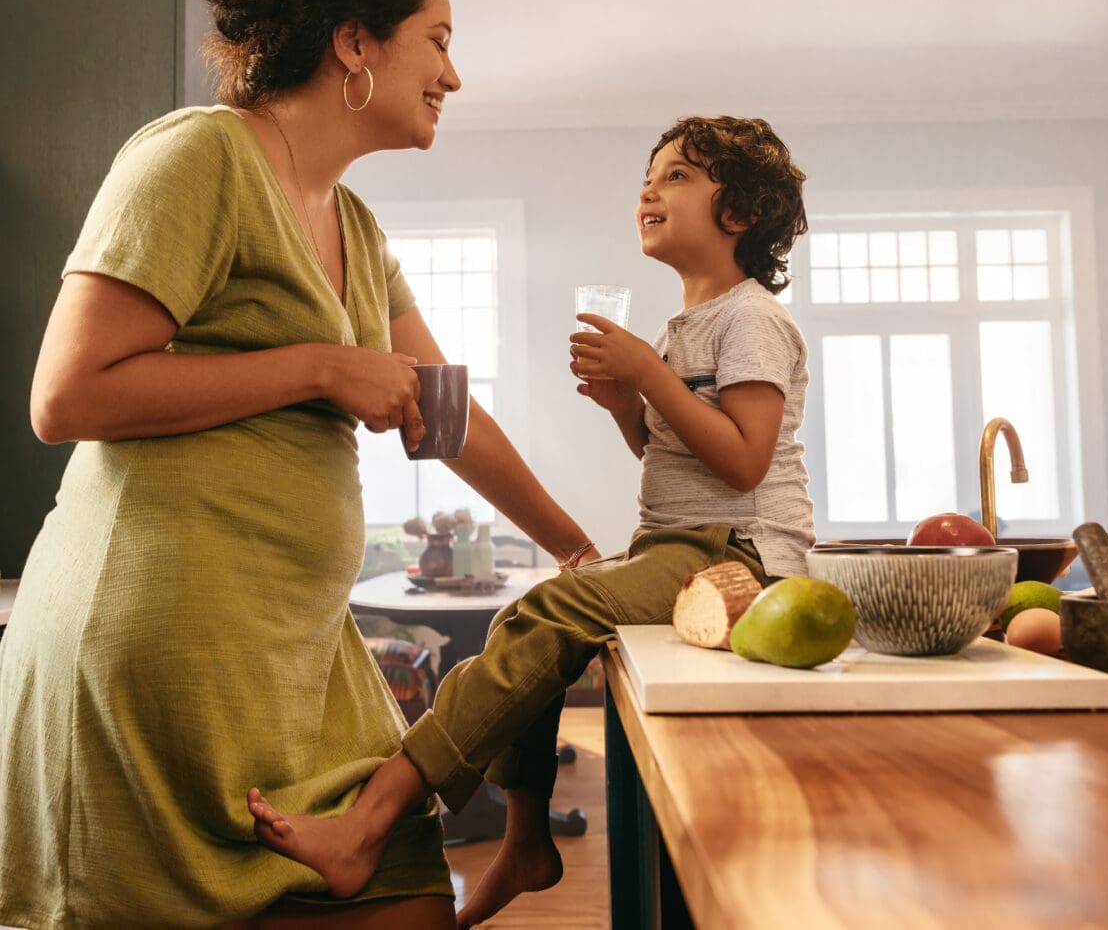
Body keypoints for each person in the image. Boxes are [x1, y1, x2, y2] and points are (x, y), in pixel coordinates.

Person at [0, 0, 599, 930]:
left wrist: (571, 542)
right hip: (156, 648)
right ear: (354, 42)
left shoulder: (354, 225)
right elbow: (65, 395)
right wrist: (315, 365)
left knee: (409, 901)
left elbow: (445, 413)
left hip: (292, 654)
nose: (453, 75)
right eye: (435, 40)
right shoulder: (197, 156)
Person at [249, 115, 817, 928]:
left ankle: (371, 822)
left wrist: (648, 377)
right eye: (648, 176)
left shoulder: (751, 318)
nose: (649, 189)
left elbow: (745, 464)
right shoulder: (681, 326)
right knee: (528, 612)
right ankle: (524, 839)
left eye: (680, 175)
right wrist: (631, 407)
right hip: (679, 541)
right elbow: (683, 464)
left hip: (742, 558)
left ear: (741, 213)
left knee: (552, 607)